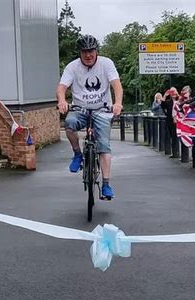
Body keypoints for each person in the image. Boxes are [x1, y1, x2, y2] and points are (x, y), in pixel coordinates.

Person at [56, 34, 123, 199]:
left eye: (91, 51)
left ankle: (106, 184)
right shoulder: (72, 67)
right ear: (80, 52)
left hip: (102, 109)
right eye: (84, 51)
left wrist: (118, 103)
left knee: (104, 147)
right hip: (81, 109)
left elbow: (117, 86)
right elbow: (62, 87)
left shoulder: (106, 64)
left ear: (96, 51)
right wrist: (62, 101)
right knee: (69, 124)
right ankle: (78, 154)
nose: (88, 55)